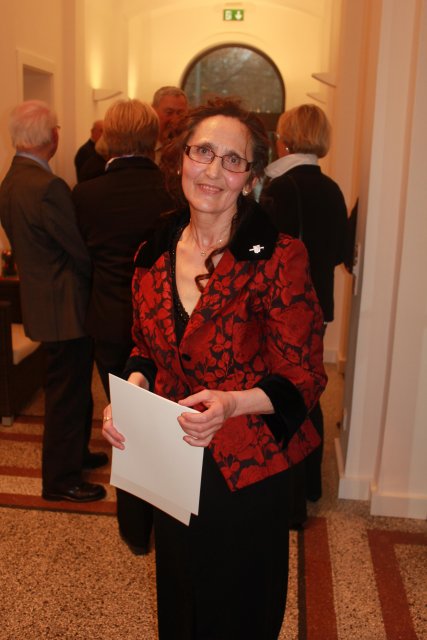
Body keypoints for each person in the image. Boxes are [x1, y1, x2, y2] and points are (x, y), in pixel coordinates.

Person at [102, 97, 327, 639]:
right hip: (171, 457)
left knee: (237, 604)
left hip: (246, 465)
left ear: (249, 178)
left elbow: (303, 375)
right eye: (202, 152)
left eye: (232, 160)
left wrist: (231, 403)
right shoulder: (152, 252)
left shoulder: (279, 256)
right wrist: (131, 392)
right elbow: (144, 348)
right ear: (181, 158)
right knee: (181, 595)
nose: (212, 170)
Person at [73, 99, 174, 553]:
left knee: (124, 425)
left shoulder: (85, 194)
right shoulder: (170, 191)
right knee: (167, 421)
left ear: (108, 138)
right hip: (165, 323)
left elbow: (81, 258)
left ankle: (134, 529)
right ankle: (168, 517)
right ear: (153, 137)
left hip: (111, 322)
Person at [0, 100, 106, 503]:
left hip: (42, 301)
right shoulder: (48, 186)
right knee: (66, 395)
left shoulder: (11, 179)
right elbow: (76, 249)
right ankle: (60, 480)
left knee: (70, 388)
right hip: (64, 306)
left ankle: (75, 455)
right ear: (51, 136)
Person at [260, 103, 348, 522]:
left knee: (283, 392)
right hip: (320, 306)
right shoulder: (333, 189)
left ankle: (291, 498)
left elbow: (261, 250)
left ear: (286, 138)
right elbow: (340, 251)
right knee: (309, 388)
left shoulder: (279, 186)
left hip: (284, 308)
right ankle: (311, 483)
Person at [152, 86, 188, 163]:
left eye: (180, 113)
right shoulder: (143, 146)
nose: (175, 119)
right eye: (169, 112)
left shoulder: (189, 147)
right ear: (153, 111)